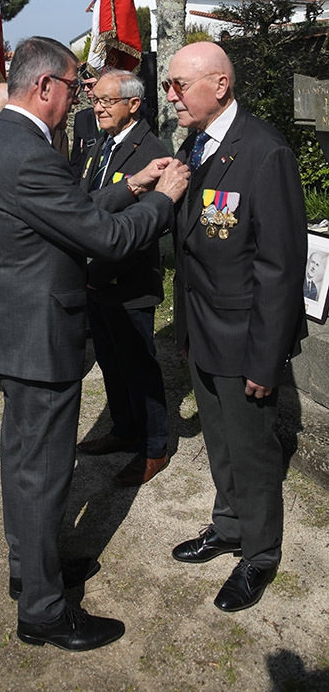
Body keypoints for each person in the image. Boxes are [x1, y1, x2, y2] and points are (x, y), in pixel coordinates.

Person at [0, 36, 189, 652]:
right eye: (74, 85)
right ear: (44, 87)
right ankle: (42, 610)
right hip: (41, 335)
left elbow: (70, 211)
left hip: (18, 328)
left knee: (23, 462)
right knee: (42, 471)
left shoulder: (6, 141)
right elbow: (105, 239)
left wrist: (131, 185)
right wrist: (165, 200)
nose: (80, 96)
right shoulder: (30, 152)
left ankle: (30, 568)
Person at [167, 41, 307, 613]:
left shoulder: (265, 153)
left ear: (219, 85)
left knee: (252, 452)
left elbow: (279, 268)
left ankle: (259, 554)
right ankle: (228, 525)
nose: (170, 94)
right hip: (203, 329)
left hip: (245, 338)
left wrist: (264, 360)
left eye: (180, 84)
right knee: (221, 444)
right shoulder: (193, 144)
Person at [77, 67, 171, 486]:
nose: (96, 107)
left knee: (139, 368)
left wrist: (99, 274)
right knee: (111, 363)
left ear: (133, 104)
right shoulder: (102, 144)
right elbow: (85, 203)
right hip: (95, 279)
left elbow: (141, 226)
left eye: (106, 100)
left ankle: (154, 449)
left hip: (127, 281)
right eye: (94, 99)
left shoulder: (149, 151)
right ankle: (124, 430)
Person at [69, 64, 100, 182]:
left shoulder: (118, 118)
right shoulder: (81, 118)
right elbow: (76, 160)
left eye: (90, 85)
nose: (86, 89)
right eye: (83, 85)